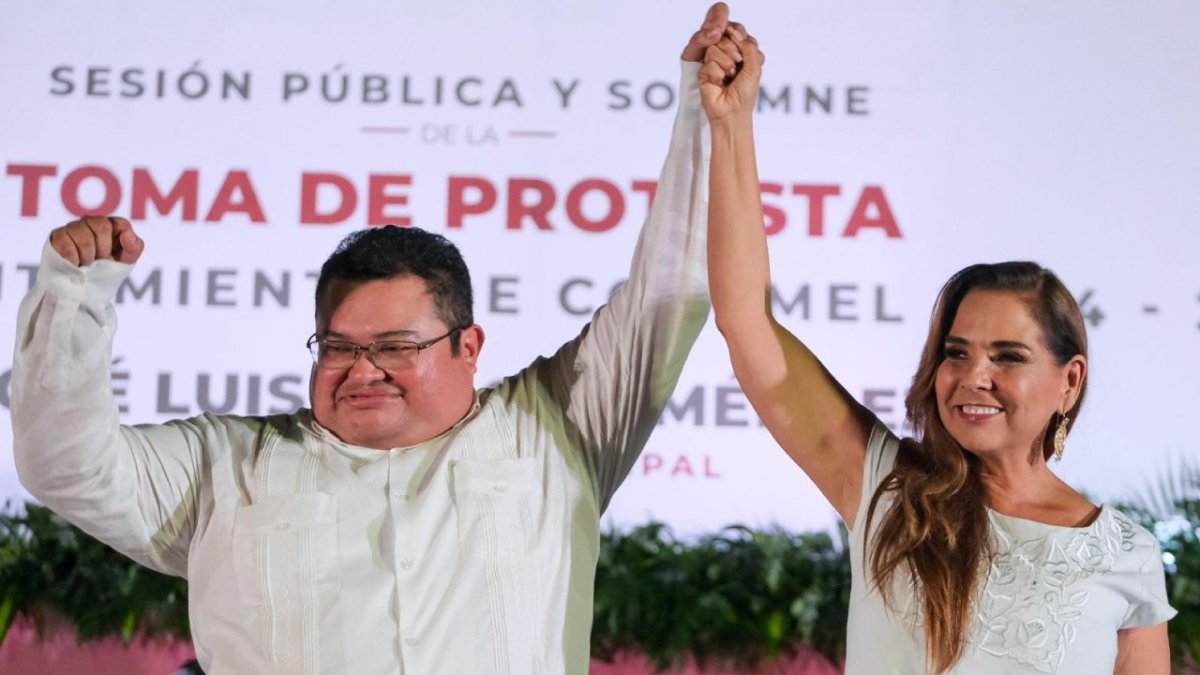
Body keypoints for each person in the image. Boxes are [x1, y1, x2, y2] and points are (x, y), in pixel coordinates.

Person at [10, 6, 735, 673]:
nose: (363, 370)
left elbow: (672, 290)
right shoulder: (225, 466)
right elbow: (64, 464)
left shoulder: (557, 428)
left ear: (468, 346)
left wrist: (707, 120)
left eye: (395, 346)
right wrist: (76, 296)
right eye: (338, 345)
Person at [699, 25, 1175, 675]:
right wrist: (731, 125)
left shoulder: (1126, 553)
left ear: (1070, 379)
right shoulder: (884, 490)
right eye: (956, 352)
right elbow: (745, 319)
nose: (973, 376)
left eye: (1007, 356)